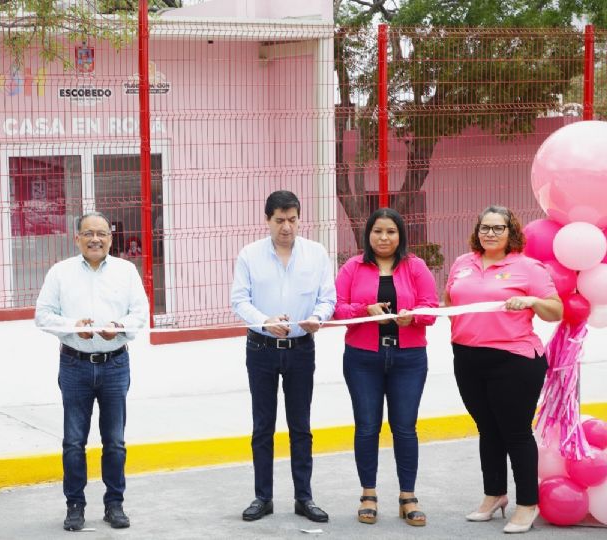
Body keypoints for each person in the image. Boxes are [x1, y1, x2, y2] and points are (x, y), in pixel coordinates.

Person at [445, 206, 562, 534]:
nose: (490, 234)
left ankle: (527, 503)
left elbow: (555, 310)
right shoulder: (462, 264)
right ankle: (494, 495)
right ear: (477, 230)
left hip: (514, 359)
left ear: (511, 232)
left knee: (515, 432)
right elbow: (450, 302)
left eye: (498, 228)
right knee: (487, 428)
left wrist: (531, 303)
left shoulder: (528, 268)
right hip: (467, 357)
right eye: (485, 228)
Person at [35, 211, 149, 532]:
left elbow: (140, 313)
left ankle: (115, 504)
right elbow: (42, 315)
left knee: (114, 441)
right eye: (88, 233)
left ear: (111, 238)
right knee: (73, 441)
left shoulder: (126, 271)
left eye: (101, 233)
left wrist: (119, 327)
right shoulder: (60, 273)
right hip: (74, 364)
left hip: (115, 364)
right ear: (77, 238)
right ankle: (75, 505)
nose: (95, 239)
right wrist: (73, 327)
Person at [230, 190, 336, 524]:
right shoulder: (250, 255)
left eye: (292, 219)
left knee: (300, 426)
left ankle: (304, 497)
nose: (286, 227)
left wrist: (317, 318)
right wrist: (264, 321)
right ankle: (263, 497)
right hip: (261, 349)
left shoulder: (316, 254)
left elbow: (327, 298)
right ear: (267, 221)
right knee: (263, 426)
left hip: (301, 350)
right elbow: (239, 300)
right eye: (279, 221)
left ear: (299, 218)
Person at [333, 208, 439, 527]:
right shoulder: (353, 266)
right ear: (368, 234)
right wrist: (363, 310)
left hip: (408, 359)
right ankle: (368, 494)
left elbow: (431, 309)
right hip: (362, 359)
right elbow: (337, 309)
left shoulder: (416, 267)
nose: (383, 237)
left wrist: (413, 317)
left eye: (391, 231)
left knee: (405, 427)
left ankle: (408, 496)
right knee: (367, 427)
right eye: (377, 231)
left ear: (400, 235)